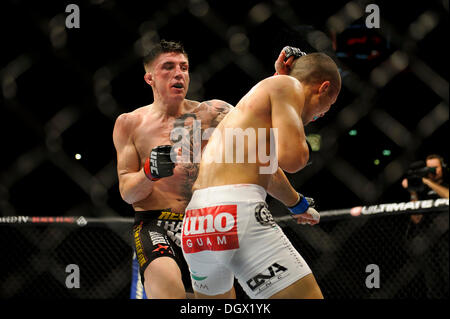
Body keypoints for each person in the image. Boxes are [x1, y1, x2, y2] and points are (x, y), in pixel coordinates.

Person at [113, 40, 296, 299]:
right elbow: (128, 193)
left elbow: (255, 129)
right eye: (168, 67)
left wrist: (278, 82)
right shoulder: (129, 124)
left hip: (206, 223)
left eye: (184, 67)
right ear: (149, 78)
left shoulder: (214, 113)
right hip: (155, 224)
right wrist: (149, 173)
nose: (179, 73)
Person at [181, 52, 341, 299]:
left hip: (196, 223)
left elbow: (269, 171)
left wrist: (297, 204)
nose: (320, 115)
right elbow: (293, 159)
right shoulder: (287, 86)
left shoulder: (250, 110)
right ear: (323, 88)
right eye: (327, 107)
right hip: (238, 213)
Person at [401, 154, 449, 298]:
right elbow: (416, 218)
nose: (433, 171)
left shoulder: (446, 184)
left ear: (443, 168)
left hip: (447, 240)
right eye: (429, 168)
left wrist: (428, 182)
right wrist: (413, 192)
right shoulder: (422, 190)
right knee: (433, 285)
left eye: (435, 167)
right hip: (429, 242)